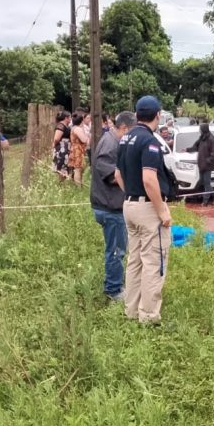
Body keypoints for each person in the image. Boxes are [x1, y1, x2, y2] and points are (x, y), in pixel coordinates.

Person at [115, 96, 173, 325]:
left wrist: (131, 195)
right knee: (153, 262)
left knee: (135, 261)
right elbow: (149, 179)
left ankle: (131, 310)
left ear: (137, 114)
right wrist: (162, 212)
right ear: (158, 115)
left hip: (129, 205)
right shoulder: (149, 141)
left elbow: (118, 174)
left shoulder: (125, 138)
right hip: (148, 209)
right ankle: (148, 317)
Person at [91, 111, 134, 301]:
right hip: (109, 206)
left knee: (117, 248)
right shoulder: (110, 144)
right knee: (116, 250)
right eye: (131, 132)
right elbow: (108, 173)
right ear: (123, 128)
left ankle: (116, 284)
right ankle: (113, 290)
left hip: (110, 204)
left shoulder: (114, 140)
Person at [188, 122, 214, 207]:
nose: (199, 130)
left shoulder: (212, 139)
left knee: (206, 183)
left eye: (200, 129)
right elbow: (195, 147)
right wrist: (187, 149)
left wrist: (207, 161)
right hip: (201, 165)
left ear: (204, 129)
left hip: (207, 165)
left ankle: (205, 201)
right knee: (203, 182)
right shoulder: (202, 138)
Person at [68, 111, 91, 186]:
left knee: (79, 168)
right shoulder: (78, 129)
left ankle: (77, 184)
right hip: (78, 150)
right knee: (78, 169)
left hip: (76, 149)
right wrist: (89, 138)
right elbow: (84, 139)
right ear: (81, 120)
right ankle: (78, 186)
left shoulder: (74, 128)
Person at [52, 111, 72, 181]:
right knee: (61, 165)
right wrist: (54, 145)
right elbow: (57, 138)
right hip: (61, 148)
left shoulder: (67, 126)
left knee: (65, 166)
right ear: (66, 118)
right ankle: (61, 183)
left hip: (66, 147)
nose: (71, 119)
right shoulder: (60, 126)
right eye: (70, 117)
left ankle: (63, 183)